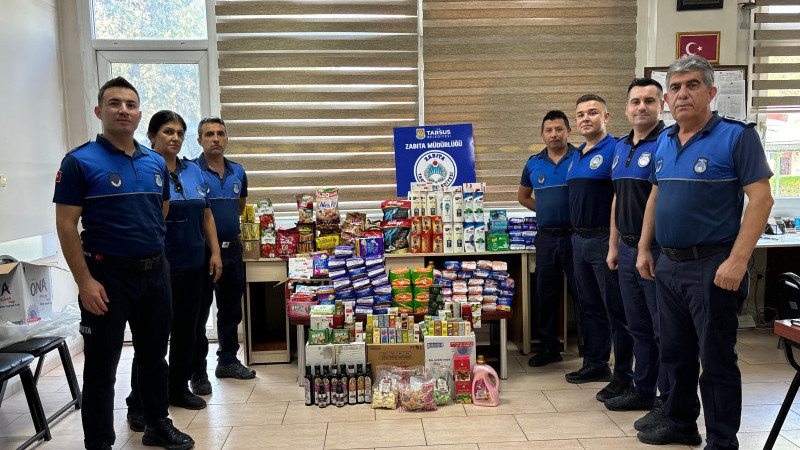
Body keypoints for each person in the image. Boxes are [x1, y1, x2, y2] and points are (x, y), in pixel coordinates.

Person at [636, 55, 774, 448]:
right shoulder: (663, 139)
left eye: (692, 85)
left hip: (714, 266)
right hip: (669, 265)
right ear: (667, 99)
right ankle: (680, 424)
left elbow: (761, 200)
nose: (682, 94)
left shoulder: (736, 136)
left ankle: (722, 441)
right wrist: (645, 249)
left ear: (711, 92)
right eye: (675, 87)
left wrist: (738, 260)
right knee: (674, 354)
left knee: (715, 361)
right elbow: (655, 196)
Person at [54, 77, 194, 450]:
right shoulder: (79, 161)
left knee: (153, 358)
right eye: (115, 104)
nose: (123, 110)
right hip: (105, 277)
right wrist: (84, 282)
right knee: (101, 368)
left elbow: (160, 210)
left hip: (154, 275)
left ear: (139, 114)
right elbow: (66, 224)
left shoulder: (154, 162)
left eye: (130, 105)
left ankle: (155, 425)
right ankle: (99, 443)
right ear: (100, 111)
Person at [126, 111, 224, 429]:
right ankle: (138, 403)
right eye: (168, 131)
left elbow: (206, 214)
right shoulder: (141, 168)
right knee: (152, 339)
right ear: (152, 135)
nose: (176, 138)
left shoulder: (193, 170)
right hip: (159, 268)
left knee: (188, 332)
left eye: (180, 132)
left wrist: (215, 254)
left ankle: (177, 388)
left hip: (195, 264)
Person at [605, 79, 670, 419]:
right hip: (628, 250)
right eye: (635, 101)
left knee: (662, 330)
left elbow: (658, 202)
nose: (641, 107)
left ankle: (667, 401)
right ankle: (643, 390)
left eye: (649, 100)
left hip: (656, 252)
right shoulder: (619, 146)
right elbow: (618, 198)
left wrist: (644, 248)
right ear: (627, 108)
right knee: (638, 327)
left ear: (662, 105)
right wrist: (614, 246)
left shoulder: (668, 143)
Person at [564, 94, 634, 403]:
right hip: (579, 240)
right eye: (580, 114)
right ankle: (595, 364)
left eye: (593, 112)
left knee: (616, 311)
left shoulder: (616, 148)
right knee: (589, 308)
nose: (585, 118)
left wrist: (614, 243)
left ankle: (624, 377)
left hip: (606, 240)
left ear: (606, 117)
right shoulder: (577, 153)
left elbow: (621, 197)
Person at [190, 116, 255, 395]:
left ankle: (227, 360)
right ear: (200, 140)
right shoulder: (190, 170)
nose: (215, 138)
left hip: (232, 251)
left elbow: (239, 209)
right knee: (198, 313)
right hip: (201, 253)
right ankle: (197, 372)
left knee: (231, 311)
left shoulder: (238, 171)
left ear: (227, 138)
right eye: (209, 134)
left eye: (220, 133)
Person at [518, 110, 580, 367]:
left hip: (577, 237)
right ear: (542, 134)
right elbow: (523, 197)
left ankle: (593, 351)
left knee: (584, 294)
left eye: (559, 129)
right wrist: (543, 210)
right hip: (546, 238)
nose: (554, 134)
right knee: (546, 295)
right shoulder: (533, 163)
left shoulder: (582, 157)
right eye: (549, 130)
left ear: (568, 131)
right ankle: (548, 348)